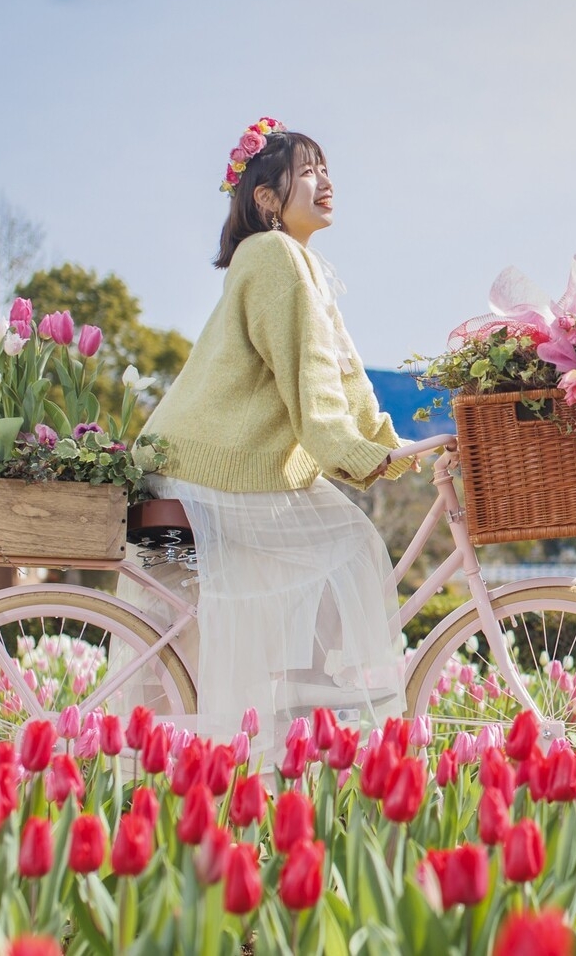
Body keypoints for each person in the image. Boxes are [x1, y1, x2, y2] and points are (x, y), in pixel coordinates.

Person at [131, 116, 412, 761]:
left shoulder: (303, 266)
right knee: (353, 547)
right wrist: (362, 457)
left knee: (191, 649)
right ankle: (306, 688)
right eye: (307, 170)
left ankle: (242, 736)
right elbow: (310, 384)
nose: (325, 181)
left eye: (326, 168)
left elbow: (344, 375)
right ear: (266, 198)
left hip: (194, 474)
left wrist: (386, 444)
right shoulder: (275, 257)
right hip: (204, 476)